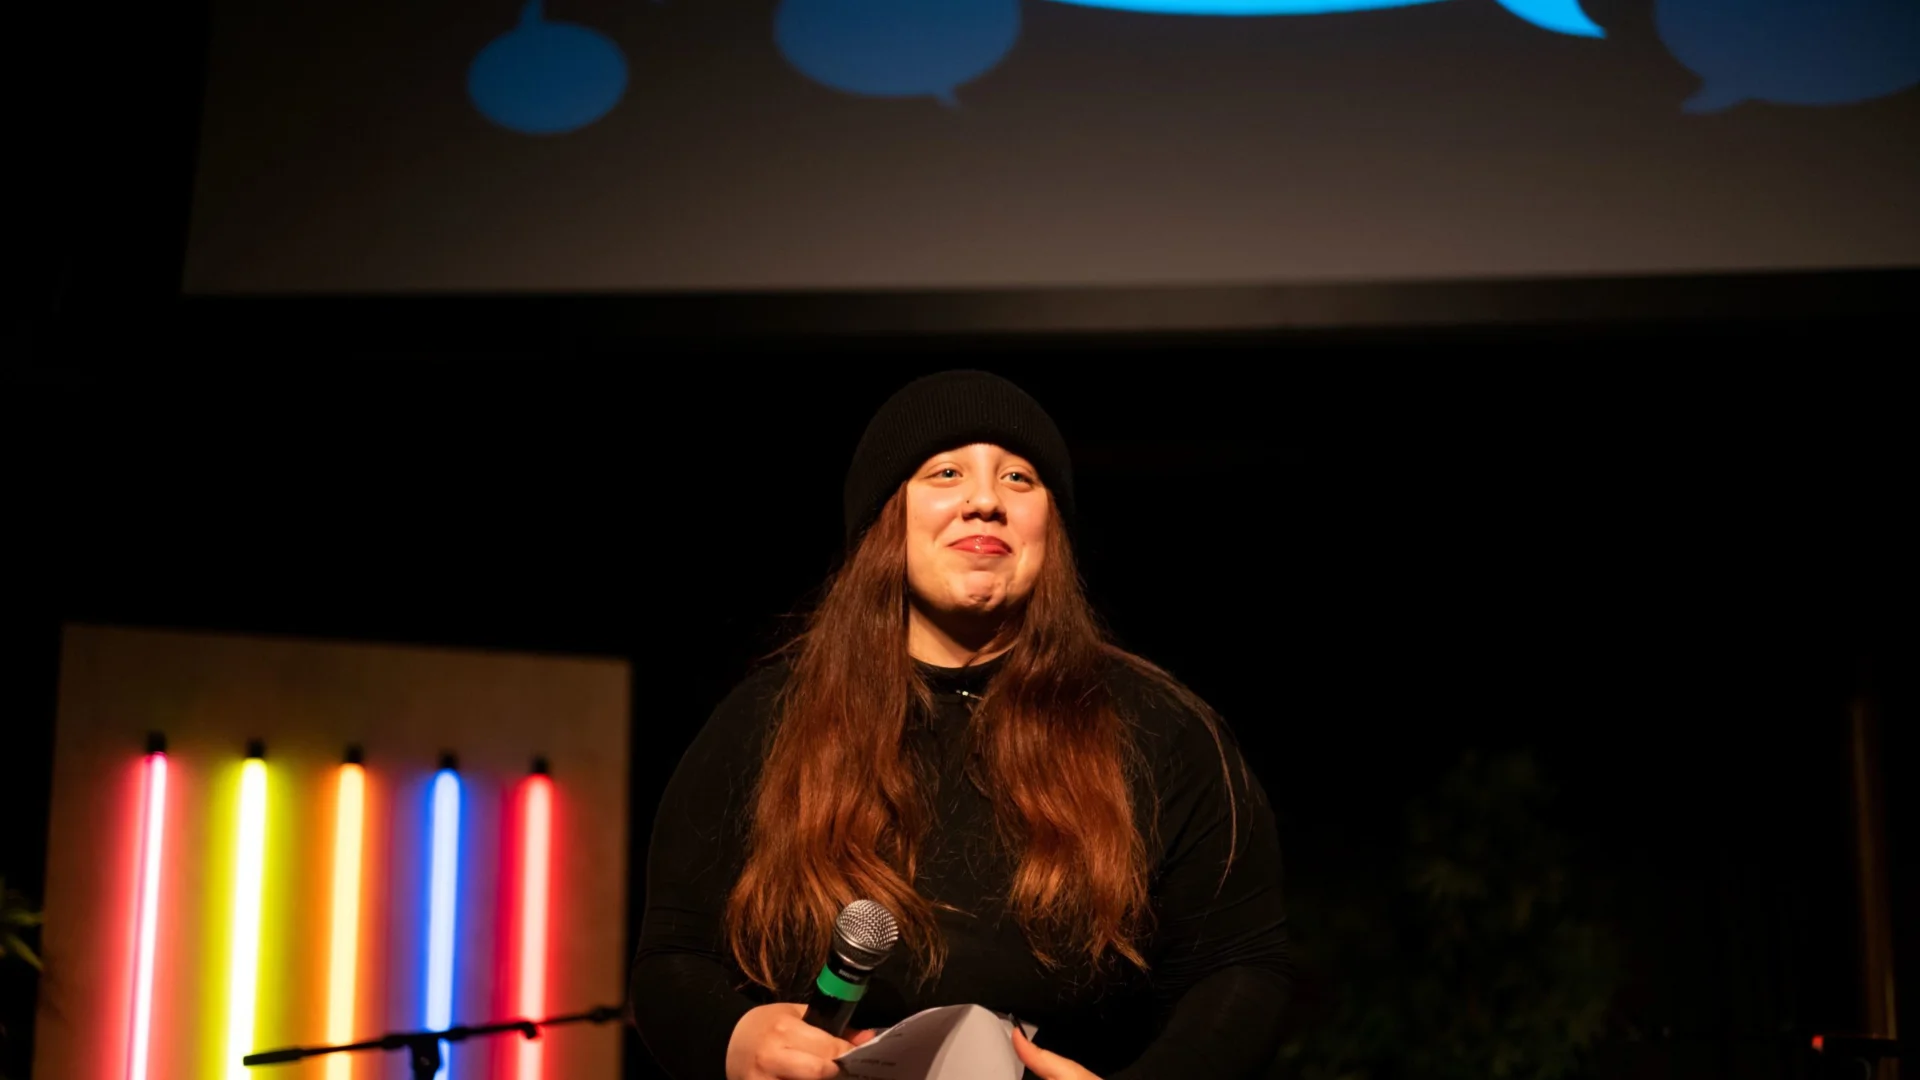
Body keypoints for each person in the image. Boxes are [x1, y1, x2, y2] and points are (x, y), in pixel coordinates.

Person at [631, 370, 1290, 1080]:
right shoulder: (769, 720)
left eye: (1019, 479)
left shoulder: (1158, 729)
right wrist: (732, 1039)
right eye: (947, 472)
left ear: (1052, 528)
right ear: (885, 518)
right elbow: (673, 961)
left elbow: (1241, 971)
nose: (984, 501)